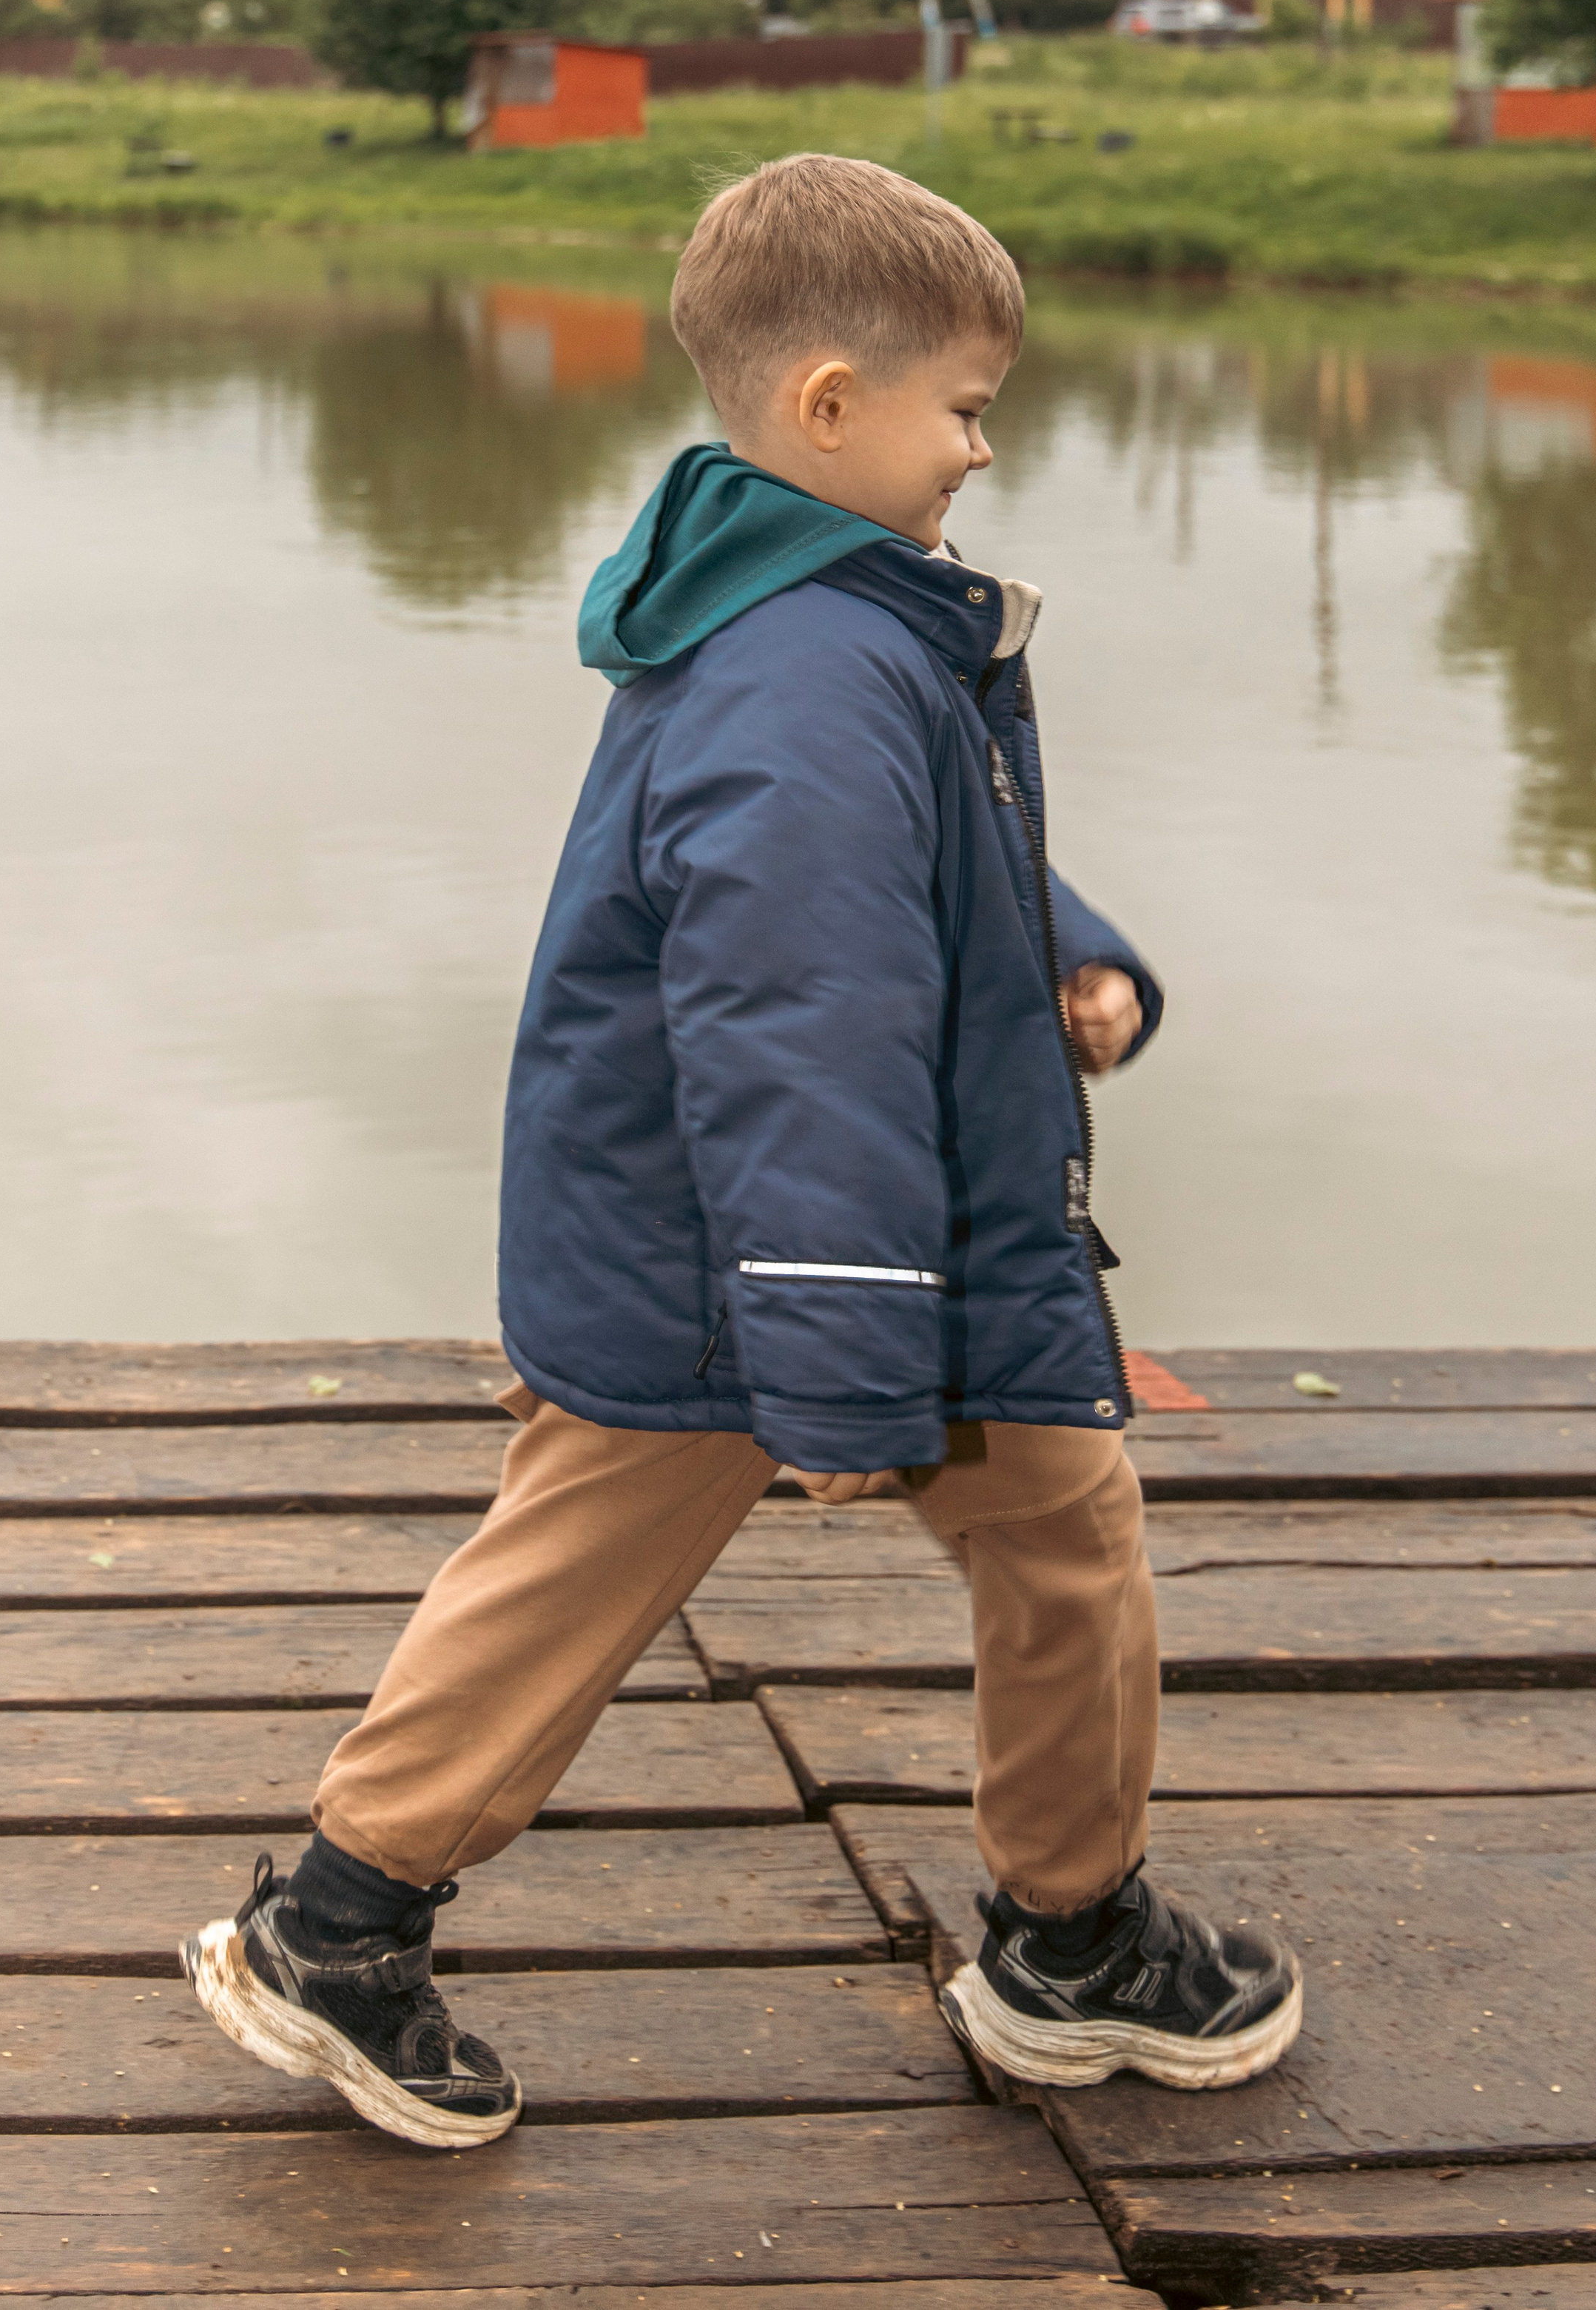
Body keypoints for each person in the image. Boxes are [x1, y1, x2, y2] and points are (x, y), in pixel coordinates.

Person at [181, 153, 1302, 2146]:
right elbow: (802, 1018)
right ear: (828, 404)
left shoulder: (827, 624)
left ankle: (1073, 1935)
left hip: (873, 1240)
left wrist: (1069, 959)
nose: (980, 446)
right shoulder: (805, 670)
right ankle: (333, 1929)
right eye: (964, 406)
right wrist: (846, 1354)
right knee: (579, 1563)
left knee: (1064, 1536)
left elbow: (925, 885)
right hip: (753, 1255)